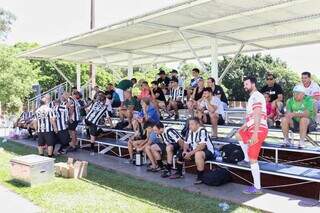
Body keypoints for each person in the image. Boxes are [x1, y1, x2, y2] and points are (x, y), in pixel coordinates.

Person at [236, 76, 268, 195]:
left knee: (254, 160)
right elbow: (253, 116)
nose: (245, 86)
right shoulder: (252, 97)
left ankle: (257, 188)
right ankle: (246, 158)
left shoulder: (256, 96)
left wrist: (255, 133)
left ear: (253, 84)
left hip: (258, 129)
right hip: (253, 127)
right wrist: (245, 125)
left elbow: (258, 114)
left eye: (247, 84)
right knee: (239, 134)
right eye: (244, 84)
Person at [171, 118, 215, 184]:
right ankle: (179, 173)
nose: (190, 126)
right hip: (195, 150)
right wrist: (185, 151)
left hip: (208, 151)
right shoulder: (190, 131)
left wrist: (190, 153)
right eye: (189, 124)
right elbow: (186, 143)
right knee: (181, 153)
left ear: (197, 125)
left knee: (198, 154)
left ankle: (200, 177)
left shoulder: (202, 131)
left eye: (192, 124)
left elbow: (202, 146)